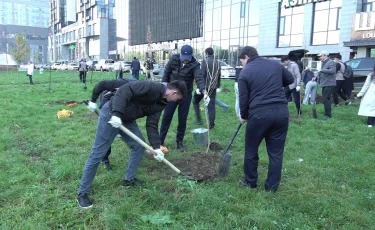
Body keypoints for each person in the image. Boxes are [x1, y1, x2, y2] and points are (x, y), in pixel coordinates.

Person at [77, 80, 187, 209]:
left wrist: (156, 148)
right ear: (173, 93)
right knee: (98, 153)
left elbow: (152, 124)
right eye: (176, 99)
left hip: (127, 119)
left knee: (138, 146)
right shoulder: (151, 86)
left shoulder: (162, 102)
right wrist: (117, 114)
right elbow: (125, 90)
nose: (174, 101)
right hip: (112, 113)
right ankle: (82, 193)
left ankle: (129, 180)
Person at [237, 46, 294, 192]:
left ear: (246, 57)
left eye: (241, 61)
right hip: (281, 112)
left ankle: (251, 182)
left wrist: (243, 116)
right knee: (276, 152)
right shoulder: (275, 64)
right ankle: (271, 187)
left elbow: (243, 99)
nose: (242, 64)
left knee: (251, 149)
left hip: (259, 114)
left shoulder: (245, 72)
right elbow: (290, 79)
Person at [160, 44, 206, 152]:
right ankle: (160, 141)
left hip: (185, 95)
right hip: (171, 93)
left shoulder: (195, 64)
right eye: (183, 58)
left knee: (182, 119)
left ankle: (179, 142)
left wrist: (204, 90)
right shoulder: (174, 59)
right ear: (180, 54)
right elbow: (166, 73)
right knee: (167, 117)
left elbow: (199, 78)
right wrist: (164, 89)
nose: (185, 61)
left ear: (191, 55)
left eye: (187, 59)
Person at [86, 77, 137, 169]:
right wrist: (93, 101)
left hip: (125, 107)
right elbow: (101, 84)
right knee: (106, 136)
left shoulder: (141, 95)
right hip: (108, 102)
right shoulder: (124, 84)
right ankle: (104, 159)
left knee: (125, 129)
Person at [192, 47, 221, 129]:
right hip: (213, 87)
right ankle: (211, 124)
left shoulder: (205, 61)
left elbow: (202, 75)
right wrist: (217, 85)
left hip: (204, 87)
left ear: (206, 53)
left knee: (195, 101)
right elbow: (219, 76)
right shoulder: (217, 62)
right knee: (211, 106)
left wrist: (199, 87)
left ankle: (199, 120)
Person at [315, 51, 336, 120]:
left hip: (329, 83)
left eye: (320, 56)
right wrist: (316, 77)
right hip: (325, 83)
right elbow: (322, 73)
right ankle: (327, 113)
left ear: (325, 55)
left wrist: (322, 70)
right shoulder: (324, 63)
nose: (319, 58)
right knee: (325, 99)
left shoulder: (331, 62)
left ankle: (328, 115)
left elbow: (332, 71)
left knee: (326, 99)